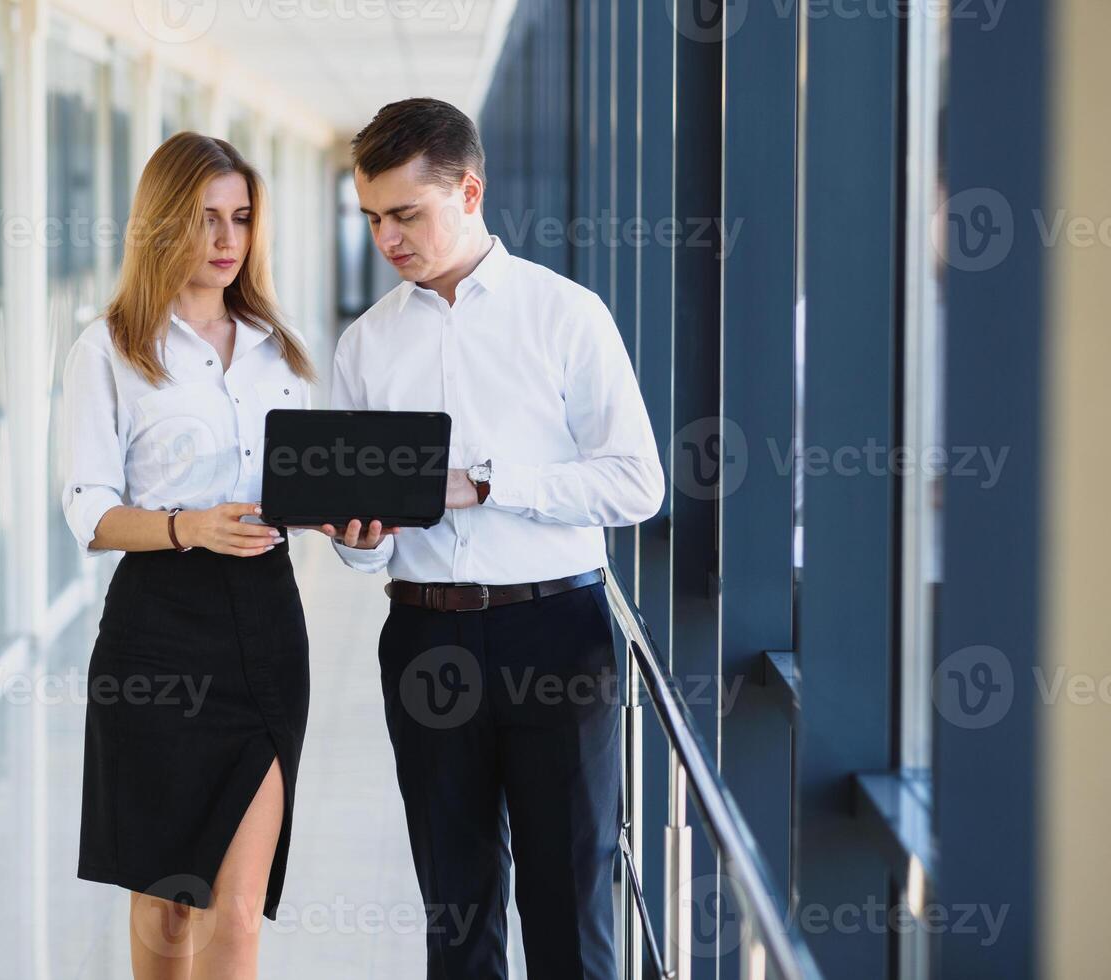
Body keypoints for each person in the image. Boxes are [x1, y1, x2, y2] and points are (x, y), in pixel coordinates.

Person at [321, 98, 664, 980]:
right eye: (372, 218)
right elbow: (366, 546)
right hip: (426, 634)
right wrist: (357, 536)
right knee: (455, 906)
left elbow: (637, 482)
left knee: (570, 902)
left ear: (469, 190)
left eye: (406, 213)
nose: (387, 238)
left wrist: (484, 485)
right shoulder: (365, 345)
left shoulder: (566, 315)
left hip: (557, 632)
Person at [60, 131, 315, 979]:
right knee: (167, 905)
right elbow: (88, 512)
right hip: (157, 631)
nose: (226, 239)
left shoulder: (283, 352)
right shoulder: (110, 348)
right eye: (205, 218)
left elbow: (303, 486)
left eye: (241, 218)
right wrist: (185, 525)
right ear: (162, 224)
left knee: (236, 916)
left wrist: (351, 528)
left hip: (267, 628)